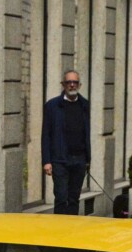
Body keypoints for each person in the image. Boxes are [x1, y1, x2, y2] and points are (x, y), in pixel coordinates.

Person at [41, 69, 90, 215]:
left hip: (79, 160)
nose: (72, 85)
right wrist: (46, 161)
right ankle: (59, 232)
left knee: (74, 199)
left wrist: (88, 159)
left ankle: (72, 233)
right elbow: (46, 135)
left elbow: (86, 133)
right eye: (69, 82)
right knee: (61, 198)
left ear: (79, 85)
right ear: (63, 84)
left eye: (75, 82)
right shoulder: (52, 106)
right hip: (60, 160)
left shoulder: (85, 105)